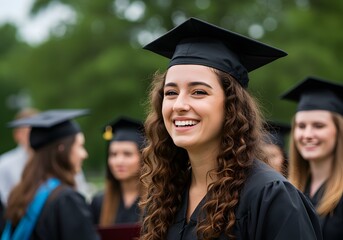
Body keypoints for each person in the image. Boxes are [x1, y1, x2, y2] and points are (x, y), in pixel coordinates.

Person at [139, 17, 322, 240]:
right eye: (171, 93)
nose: (179, 105)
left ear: (231, 106)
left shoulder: (270, 197)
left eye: (198, 92)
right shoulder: (165, 196)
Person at [1, 109, 99, 240]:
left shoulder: (21, 194)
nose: (84, 154)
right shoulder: (66, 200)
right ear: (62, 149)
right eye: (80, 146)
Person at [282, 76, 343, 240]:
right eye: (301, 126)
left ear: (339, 132)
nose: (308, 135)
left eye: (319, 126)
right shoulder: (287, 190)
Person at [0, 108, 91, 206]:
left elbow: (80, 188)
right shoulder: (5, 164)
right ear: (17, 135)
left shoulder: (66, 162)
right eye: (27, 132)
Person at [90, 116, 144, 226]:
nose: (119, 161)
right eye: (113, 154)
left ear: (143, 158)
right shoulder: (99, 202)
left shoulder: (155, 201)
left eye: (127, 154)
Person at [0, 108, 39, 206]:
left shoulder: (54, 159)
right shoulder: (4, 164)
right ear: (17, 135)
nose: (35, 137)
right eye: (29, 132)